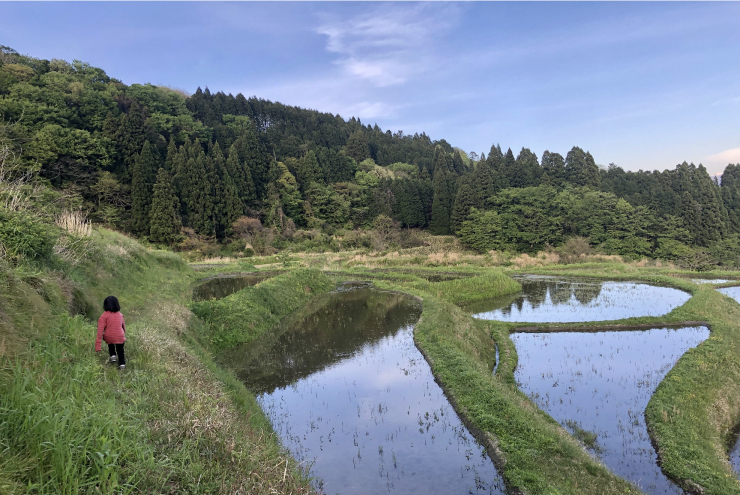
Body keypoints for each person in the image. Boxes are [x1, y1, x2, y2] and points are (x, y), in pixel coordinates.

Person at [95, 295, 126, 369]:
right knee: (120, 349)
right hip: (120, 336)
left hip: (109, 336)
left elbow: (100, 330)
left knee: (110, 341)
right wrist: (122, 333)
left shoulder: (104, 316)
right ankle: (122, 364)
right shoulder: (120, 315)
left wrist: (98, 345)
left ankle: (113, 356)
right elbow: (123, 326)